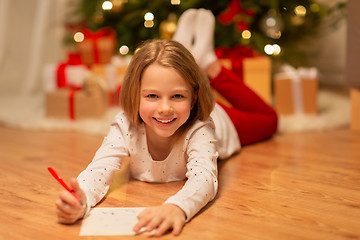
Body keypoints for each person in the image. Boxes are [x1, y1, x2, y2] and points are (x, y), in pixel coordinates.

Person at [54, 9, 277, 237]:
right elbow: (99, 169)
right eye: (152, 96)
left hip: (224, 120)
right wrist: (82, 198)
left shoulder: (201, 126)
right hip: (176, 103)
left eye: (177, 96)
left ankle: (209, 64)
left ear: (194, 97)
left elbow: (205, 178)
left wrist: (177, 207)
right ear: (135, 95)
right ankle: (182, 56)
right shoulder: (125, 124)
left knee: (270, 121)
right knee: (166, 85)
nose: (164, 108)